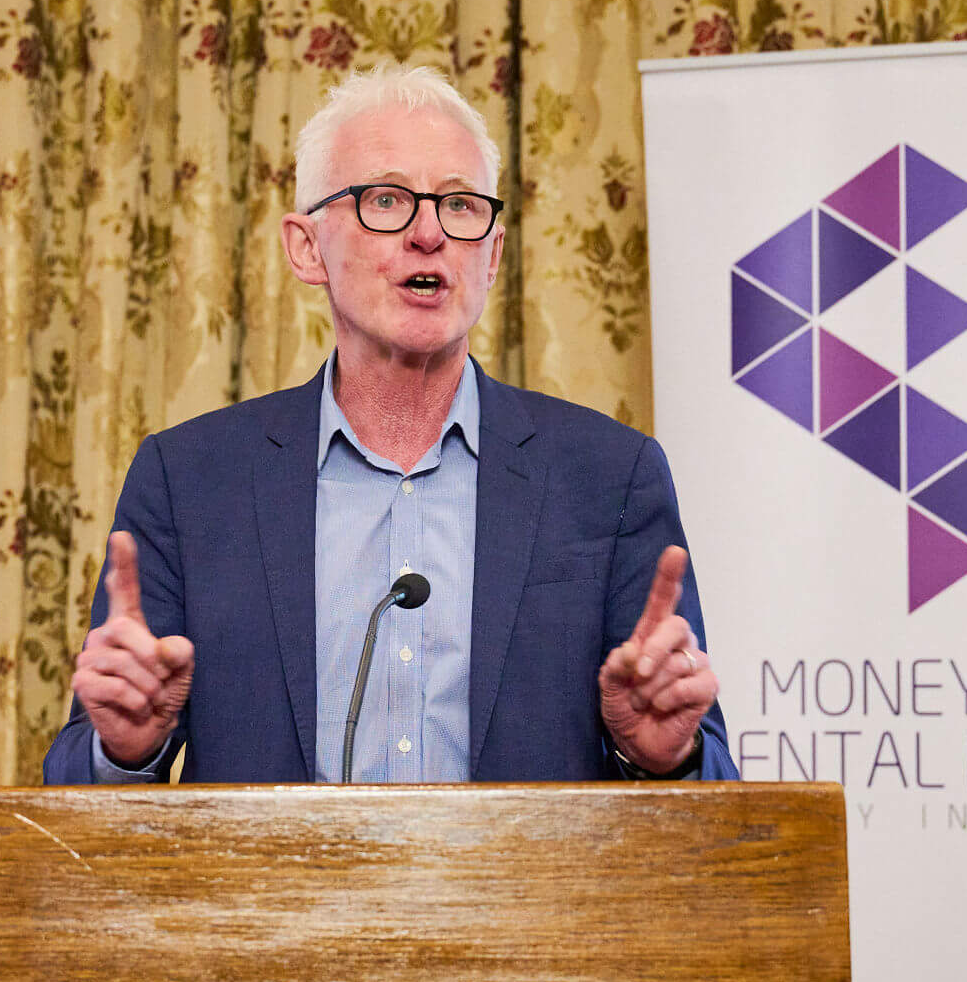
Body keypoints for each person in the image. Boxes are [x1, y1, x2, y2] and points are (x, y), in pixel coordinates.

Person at [42, 64, 734, 784]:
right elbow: (67, 802)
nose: (429, 232)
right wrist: (126, 749)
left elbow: (715, 791)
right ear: (305, 247)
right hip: (274, 900)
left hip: (524, 900)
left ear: (492, 254)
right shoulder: (189, 484)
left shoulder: (608, 477)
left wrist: (659, 756)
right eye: (386, 199)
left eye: (461, 206)